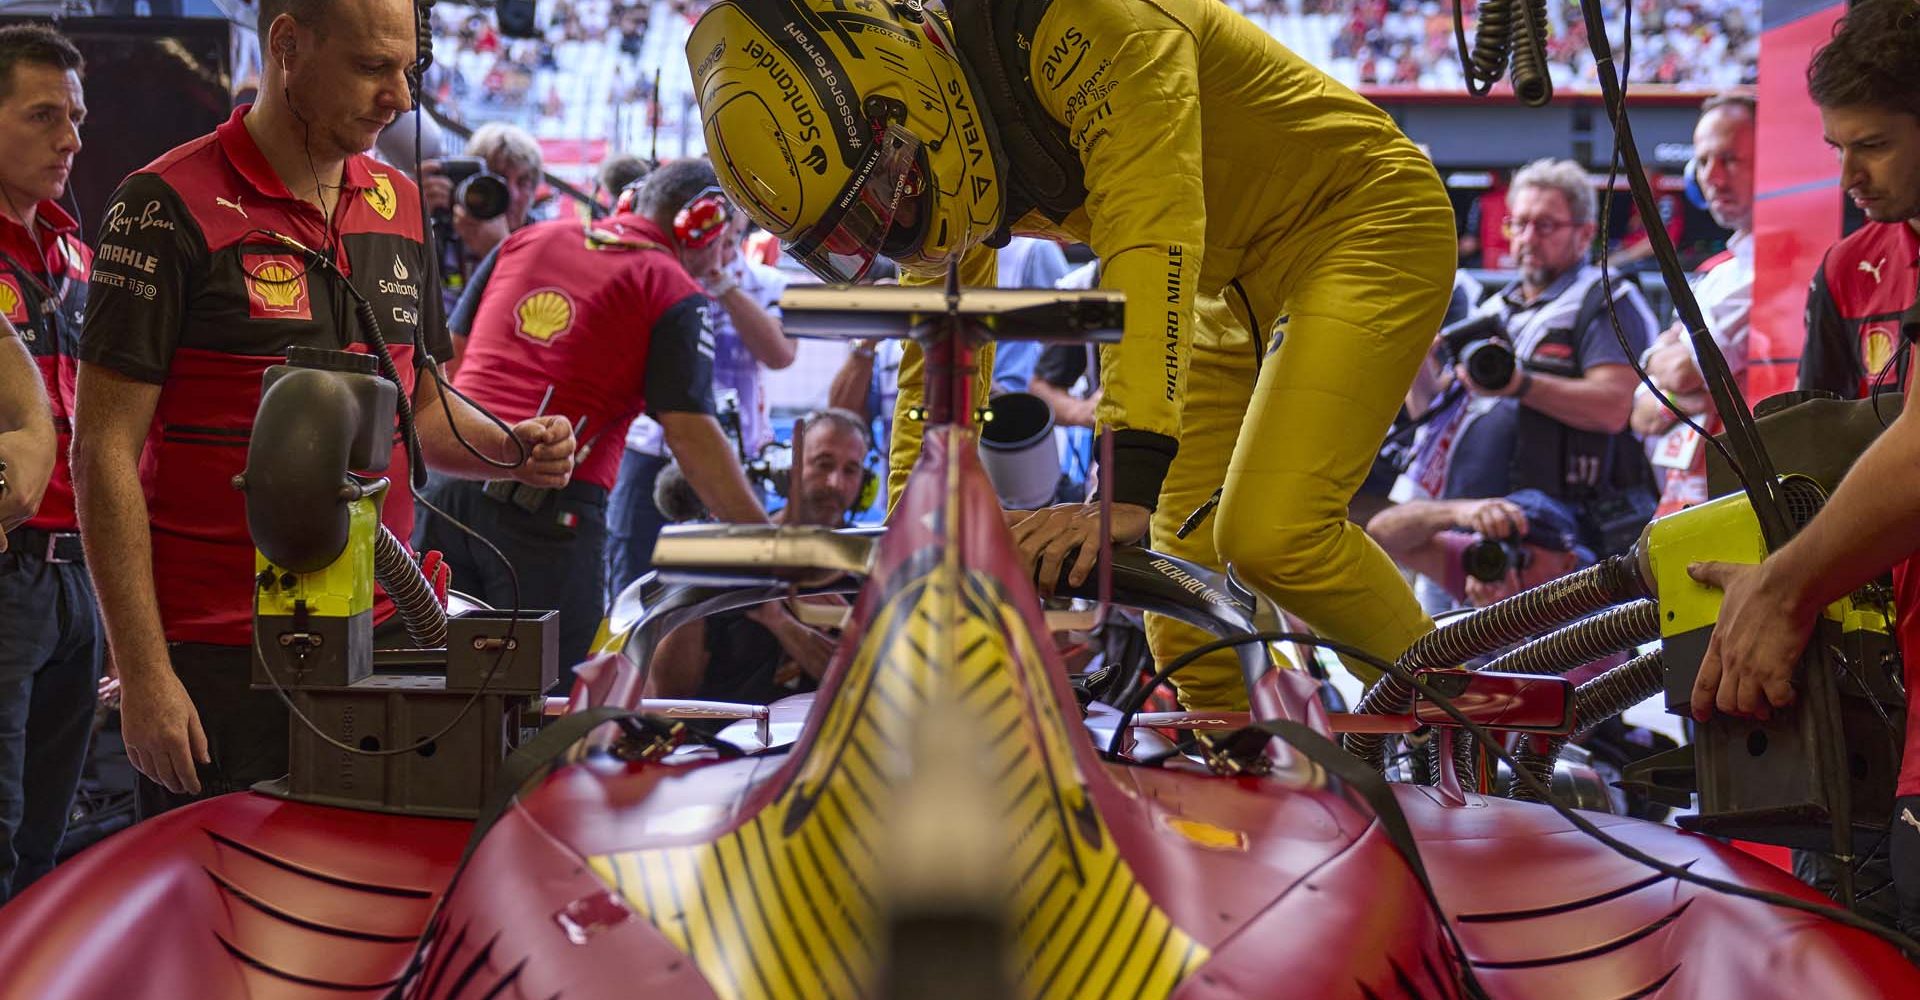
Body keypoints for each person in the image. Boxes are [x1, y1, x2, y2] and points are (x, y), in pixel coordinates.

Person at [690, 0, 1458, 707]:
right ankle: (1249, 778)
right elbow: (948, 330)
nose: (896, 233)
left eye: (888, 204)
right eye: (864, 231)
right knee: (1178, 588)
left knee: (1273, 536)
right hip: (1223, 291)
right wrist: (910, 526)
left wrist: (1124, 480)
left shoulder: (1084, 18)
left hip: (1360, 219)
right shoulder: (927, 109)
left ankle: (1477, 730)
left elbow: (1150, 229)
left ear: (902, 108)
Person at [72, 0, 576, 815]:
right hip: (222, 654)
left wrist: (511, 448)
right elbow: (101, 454)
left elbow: (421, 407)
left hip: (383, 636)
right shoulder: (163, 203)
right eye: (374, 68)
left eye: (409, 69)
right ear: (288, 46)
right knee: (222, 917)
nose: (401, 98)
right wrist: (144, 673)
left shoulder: (404, 204)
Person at [1693, 0, 1920, 936]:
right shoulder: (1848, 269)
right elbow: (1808, 471)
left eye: (1872, 144)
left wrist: (1783, 592)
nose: (1849, 174)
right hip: (1881, 693)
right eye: (1835, 146)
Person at [424, 157, 768, 676]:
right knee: (543, 706)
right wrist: (770, 546)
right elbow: (693, 439)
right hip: (546, 515)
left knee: (434, 685)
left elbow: (446, 363)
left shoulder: (528, 240)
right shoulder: (670, 286)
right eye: (727, 238)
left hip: (446, 489)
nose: (724, 258)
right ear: (700, 225)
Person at [1396, 158, 1659, 561]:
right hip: (1464, 527)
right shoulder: (1496, 309)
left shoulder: (1606, 300)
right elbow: (1433, 414)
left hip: (1560, 543)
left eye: (1545, 225)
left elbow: (1615, 407)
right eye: (1518, 224)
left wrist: (1519, 385)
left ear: (1585, 233)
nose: (1527, 237)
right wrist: (1410, 353)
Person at [0, 24, 96, 902]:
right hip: (8, 565)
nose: (70, 139)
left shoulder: (79, 259)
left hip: (80, 581)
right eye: (43, 116)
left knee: (45, 851)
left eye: (75, 116)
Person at [605, 165, 793, 599]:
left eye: (727, 237)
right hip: (650, 449)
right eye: (710, 237)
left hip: (738, 450)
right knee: (633, 584)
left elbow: (780, 354)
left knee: (736, 596)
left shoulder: (766, 284)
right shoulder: (654, 273)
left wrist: (722, 285)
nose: (718, 248)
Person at [648, 410, 870, 703]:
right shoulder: (731, 553)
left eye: (850, 470)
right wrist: (688, 582)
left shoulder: (868, 564)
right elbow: (668, 693)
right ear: (788, 468)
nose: (835, 483)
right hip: (723, 740)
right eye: (823, 464)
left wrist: (778, 620)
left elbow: (864, 687)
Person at [1629, 92, 1757, 517]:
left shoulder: (1775, 269)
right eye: (1702, 163)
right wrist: (1671, 368)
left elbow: (1684, 370)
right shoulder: (1720, 272)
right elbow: (1641, 414)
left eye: (1730, 160)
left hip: (1741, 505)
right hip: (1684, 504)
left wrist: (1672, 370)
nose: (1713, 177)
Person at [1368, 490, 1592, 611]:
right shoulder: (1488, 562)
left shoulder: (1595, 612)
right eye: (1503, 552)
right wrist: (1455, 512)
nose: (1507, 568)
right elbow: (1381, 534)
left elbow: (1550, 695)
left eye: (1524, 559)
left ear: (1567, 563)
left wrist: (1503, 625)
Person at [423, 122, 542, 312]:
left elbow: (534, 316)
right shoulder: (440, 232)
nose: (512, 194)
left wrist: (499, 251)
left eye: (523, 182)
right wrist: (411, 214)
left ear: (535, 190)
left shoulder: (542, 245)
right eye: (499, 179)